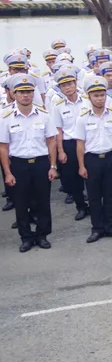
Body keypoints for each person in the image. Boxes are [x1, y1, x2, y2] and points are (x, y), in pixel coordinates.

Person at [0, 74, 58, 253]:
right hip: (18, 164)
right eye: (22, 92)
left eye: (29, 92)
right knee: (21, 201)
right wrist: (8, 172)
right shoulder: (6, 117)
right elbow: (3, 147)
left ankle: (42, 235)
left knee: (42, 201)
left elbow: (51, 141)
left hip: (40, 163)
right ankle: (26, 237)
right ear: (14, 94)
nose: (26, 95)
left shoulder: (44, 115)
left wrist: (53, 166)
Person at [76, 78, 112, 243]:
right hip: (92, 160)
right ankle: (97, 228)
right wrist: (81, 165)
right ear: (89, 97)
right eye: (96, 95)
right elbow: (80, 144)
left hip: (110, 157)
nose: (100, 98)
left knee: (111, 195)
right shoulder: (82, 118)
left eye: (102, 95)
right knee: (94, 196)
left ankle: (111, 226)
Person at [51, 67, 90, 222]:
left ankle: (94, 205)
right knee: (73, 178)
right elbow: (58, 131)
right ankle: (81, 207)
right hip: (69, 143)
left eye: (69, 83)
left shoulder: (87, 101)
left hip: (89, 143)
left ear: (76, 83)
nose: (67, 87)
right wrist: (60, 151)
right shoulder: (58, 106)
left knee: (92, 176)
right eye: (63, 85)